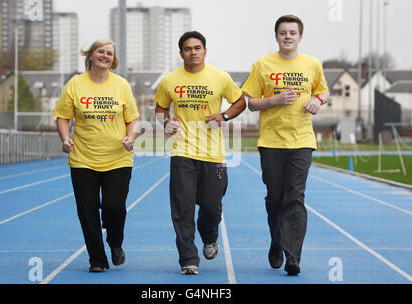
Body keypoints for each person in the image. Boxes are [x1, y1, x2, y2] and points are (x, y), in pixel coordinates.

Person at [241, 15, 329, 276]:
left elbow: (322, 91)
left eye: (292, 32)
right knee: (275, 198)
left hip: (302, 140)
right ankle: (277, 241)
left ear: (300, 37)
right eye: (283, 32)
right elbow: (251, 102)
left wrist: (318, 101)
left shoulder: (312, 64)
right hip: (271, 142)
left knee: (295, 197)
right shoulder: (262, 64)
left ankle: (293, 256)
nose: (288, 36)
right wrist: (274, 100)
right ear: (276, 36)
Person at [154, 31, 246, 275]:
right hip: (182, 151)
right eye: (187, 48)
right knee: (182, 208)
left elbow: (240, 102)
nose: (192, 52)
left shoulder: (220, 77)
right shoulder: (170, 80)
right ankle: (188, 259)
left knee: (211, 207)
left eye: (197, 47)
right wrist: (165, 123)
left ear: (205, 50)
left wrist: (224, 115)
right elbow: (161, 108)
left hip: (213, 155)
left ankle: (210, 237)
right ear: (181, 52)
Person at [52, 39, 139, 273]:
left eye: (109, 53)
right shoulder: (75, 85)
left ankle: (115, 242)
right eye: (101, 51)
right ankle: (97, 260)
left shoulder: (121, 85)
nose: (105, 55)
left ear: (114, 59)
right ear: (90, 55)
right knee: (87, 210)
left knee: (114, 207)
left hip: (118, 158)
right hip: (83, 159)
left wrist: (131, 136)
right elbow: (62, 116)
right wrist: (65, 138)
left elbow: (133, 119)